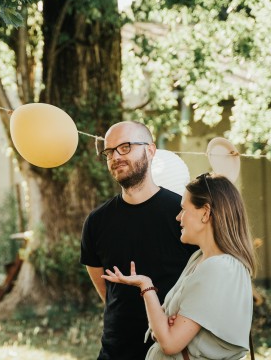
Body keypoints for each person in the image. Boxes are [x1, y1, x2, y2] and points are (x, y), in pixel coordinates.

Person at [102, 173, 256, 359]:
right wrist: (164, 324)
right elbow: (160, 330)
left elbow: (169, 343)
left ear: (205, 213)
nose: (178, 217)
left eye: (183, 209)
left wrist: (146, 286)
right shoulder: (199, 258)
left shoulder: (219, 268)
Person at [80, 121, 197, 360]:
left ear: (151, 151)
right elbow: (106, 290)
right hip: (115, 351)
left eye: (125, 147)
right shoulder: (96, 221)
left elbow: (203, 281)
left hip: (174, 351)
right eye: (109, 152)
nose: (115, 157)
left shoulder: (182, 213)